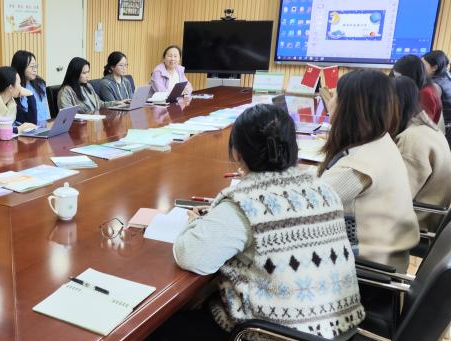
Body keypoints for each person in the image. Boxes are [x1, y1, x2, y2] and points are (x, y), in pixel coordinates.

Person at [152, 104, 363, 341]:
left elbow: (192, 256)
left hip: (276, 334)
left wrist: (194, 223)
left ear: (237, 154)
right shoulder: (322, 188)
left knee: (160, 327)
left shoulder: (246, 202)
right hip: (336, 328)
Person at [318, 70, 418, 272]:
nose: (330, 101)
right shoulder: (381, 142)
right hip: (384, 259)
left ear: (350, 107)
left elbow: (302, 207)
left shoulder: (359, 167)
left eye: (335, 95)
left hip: (365, 271)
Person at [393, 76, 451, 231]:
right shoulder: (428, 128)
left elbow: (396, 198)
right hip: (429, 216)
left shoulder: (411, 139)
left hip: (416, 224)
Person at [57, 57, 122, 114]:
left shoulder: (88, 86)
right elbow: (67, 116)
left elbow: (100, 104)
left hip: (95, 121)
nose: (87, 76)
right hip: (82, 124)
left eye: (88, 72)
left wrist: (117, 103)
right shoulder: (65, 91)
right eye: (84, 73)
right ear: (75, 73)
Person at [392, 54, 442, 126]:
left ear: (411, 76)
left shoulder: (426, 93)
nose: (398, 80)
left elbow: (423, 124)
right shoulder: (421, 86)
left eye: (399, 77)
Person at [11, 50, 50, 128]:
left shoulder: (40, 83)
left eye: (36, 66)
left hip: (43, 128)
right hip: (25, 129)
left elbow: (45, 110)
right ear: (21, 67)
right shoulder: (14, 88)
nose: (35, 70)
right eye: (32, 67)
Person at [422, 50, 451, 143]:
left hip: (445, 129)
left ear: (434, 68)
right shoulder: (446, 76)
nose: (420, 67)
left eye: (423, 65)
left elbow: (429, 117)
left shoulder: (434, 86)